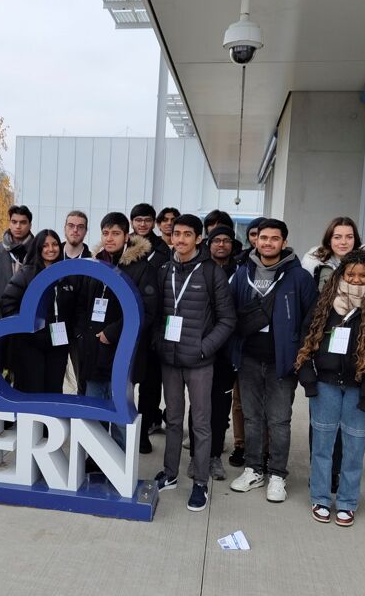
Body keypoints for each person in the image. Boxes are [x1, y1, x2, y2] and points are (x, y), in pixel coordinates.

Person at [296, 251, 365, 526]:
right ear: (341, 275)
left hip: (359, 389)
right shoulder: (325, 302)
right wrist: (308, 379)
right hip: (325, 385)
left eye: (363, 275)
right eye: (350, 274)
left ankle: (347, 502)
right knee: (322, 446)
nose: (356, 280)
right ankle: (319, 497)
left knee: (354, 448)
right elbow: (305, 339)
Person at [228, 218, 318, 503]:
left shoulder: (299, 277)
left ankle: (278, 474)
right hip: (249, 357)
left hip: (283, 360)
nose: (267, 243)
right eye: (263, 238)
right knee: (253, 417)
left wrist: (299, 353)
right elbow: (231, 313)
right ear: (256, 240)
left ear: (284, 242)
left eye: (274, 239)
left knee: (279, 420)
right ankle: (254, 469)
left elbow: (311, 318)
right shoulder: (243, 273)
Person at [152, 214, 236, 512]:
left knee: (200, 423)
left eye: (189, 234)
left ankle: (200, 482)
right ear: (171, 237)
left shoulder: (212, 273)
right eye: (177, 234)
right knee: (173, 419)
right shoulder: (163, 270)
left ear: (199, 239)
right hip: (170, 359)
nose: (182, 239)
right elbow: (155, 313)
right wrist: (159, 343)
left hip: (200, 362)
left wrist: (204, 348)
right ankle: (170, 473)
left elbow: (228, 320)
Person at [76, 212, 158, 448]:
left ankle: (119, 462)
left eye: (115, 233)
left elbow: (147, 310)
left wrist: (111, 333)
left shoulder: (142, 268)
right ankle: (94, 461)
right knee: (93, 411)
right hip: (93, 349)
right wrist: (83, 335)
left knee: (119, 412)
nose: (109, 238)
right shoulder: (94, 264)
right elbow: (82, 303)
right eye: (105, 233)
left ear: (126, 235)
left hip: (122, 351)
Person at [1, 230, 75, 393]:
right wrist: (26, 329)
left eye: (55, 244)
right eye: (45, 245)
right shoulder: (26, 273)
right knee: (31, 391)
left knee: (53, 390)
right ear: (38, 248)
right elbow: (7, 303)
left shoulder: (66, 274)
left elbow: (72, 308)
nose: (51, 249)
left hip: (58, 344)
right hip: (30, 346)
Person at [200, 224, 241, 480]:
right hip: (201, 348)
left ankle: (214, 456)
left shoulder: (240, 272)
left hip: (227, 350)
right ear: (209, 244)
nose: (221, 245)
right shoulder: (200, 269)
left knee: (220, 406)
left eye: (226, 240)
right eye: (217, 240)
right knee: (199, 405)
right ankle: (197, 456)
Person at [130, 203, 170, 443]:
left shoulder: (164, 249)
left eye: (147, 220)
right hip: (127, 322)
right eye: (138, 220)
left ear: (153, 223)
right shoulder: (125, 246)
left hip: (154, 323)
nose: (142, 224)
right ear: (132, 221)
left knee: (150, 382)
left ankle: (144, 431)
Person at [229, 216, 266, 467]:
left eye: (261, 235)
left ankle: (266, 449)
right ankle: (241, 444)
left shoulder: (289, 270)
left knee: (269, 407)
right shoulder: (241, 265)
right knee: (240, 402)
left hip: (271, 348)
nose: (257, 240)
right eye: (253, 235)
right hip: (244, 344)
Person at [301, 217, 365, 291]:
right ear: (329, 240)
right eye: (337, 237)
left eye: (349, 237)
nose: (343, 242)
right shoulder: (315, 264)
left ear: (355, 239)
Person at [62, 211, 91, 395]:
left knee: (83, 379)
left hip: (81, 330)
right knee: (53, 377)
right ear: (65, 228)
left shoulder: (92, 260)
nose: (75, 230)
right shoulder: (53, 256)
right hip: (55, 327)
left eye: (80, 227)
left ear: (85, 231)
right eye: (71, 225)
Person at [0, 204, 34, 297]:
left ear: (30, 225)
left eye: (23, 222)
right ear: (9, 224)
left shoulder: (37, 252)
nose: (18, 226)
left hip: (28, 307)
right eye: (14, 222)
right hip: (0, 308)